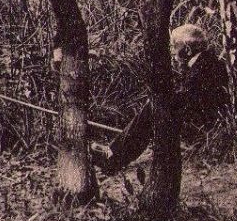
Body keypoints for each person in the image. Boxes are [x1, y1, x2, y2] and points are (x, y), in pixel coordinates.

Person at [93, 23, 229, 175]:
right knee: (153, 108)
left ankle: (113, 157)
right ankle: (113, 154)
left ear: (188, 49)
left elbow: (192, 98)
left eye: (174, 46)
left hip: (203, 122)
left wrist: (164, 99)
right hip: (204, 117)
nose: (172, 51)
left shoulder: (203, 66)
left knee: (153, 108)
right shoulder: (205, 61)